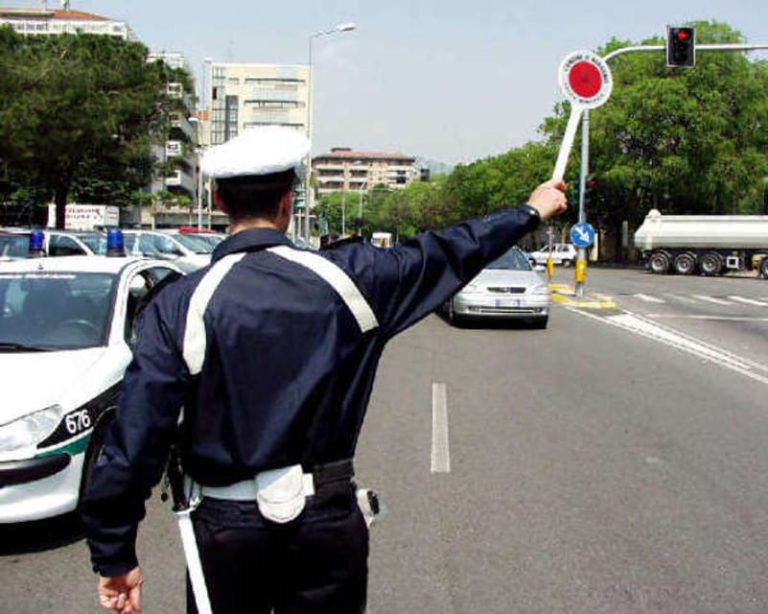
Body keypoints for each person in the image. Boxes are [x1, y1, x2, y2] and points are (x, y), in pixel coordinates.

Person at [82, 126, 567, 614]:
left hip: (224, 529)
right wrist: (530, 211)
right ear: (289, 202)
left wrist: (115, 554)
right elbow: (451, 249)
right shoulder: (352, 279)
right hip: (326, 523)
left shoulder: (179, 305)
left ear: (218, 198)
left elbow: (135, 440)